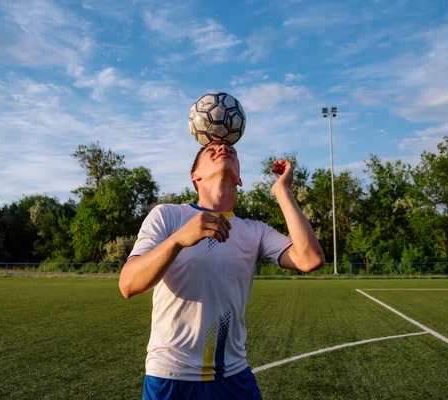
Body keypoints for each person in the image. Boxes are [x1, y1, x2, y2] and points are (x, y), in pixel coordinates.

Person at [119, 141, 325, 399]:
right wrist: (179, 239)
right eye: (211, 150)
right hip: (172, 377)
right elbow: (128, 284)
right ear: (196, 176)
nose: (223, 149)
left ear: (239, 179)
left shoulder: (255, 231)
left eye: (231, 150)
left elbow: (310, 258)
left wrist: (282, 191)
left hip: (235, 376)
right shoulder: (168, 216)